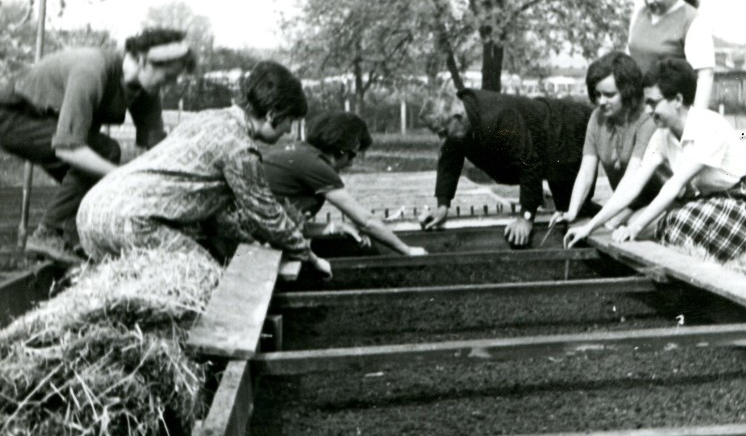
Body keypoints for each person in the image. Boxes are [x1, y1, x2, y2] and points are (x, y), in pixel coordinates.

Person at [77, 61, 332, 277]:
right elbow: (267, 214)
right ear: (273, 112)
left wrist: (250, 247)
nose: (289, 129)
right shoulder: (240, 148)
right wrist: (310, 257)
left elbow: (212, 218)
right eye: (289, 120)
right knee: (206, 279)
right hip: (133, 222)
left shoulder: (206, 118)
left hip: (92, 212)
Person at [0, 28, 195, 263]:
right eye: (168, 77)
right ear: (144, 62)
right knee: (105, 152)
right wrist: (123, 174)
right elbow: (68, 148)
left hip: (50, 125)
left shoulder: (146, 90)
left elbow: (157, 151)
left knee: (96, 177)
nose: (170, 85)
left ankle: (69, 239)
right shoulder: (92, 69)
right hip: (12, 116)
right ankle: (48, 233)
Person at [564, 58, 746, 263]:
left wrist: (634, 229)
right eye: (646, 103)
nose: (647, 110)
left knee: (673, 224)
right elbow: (632, 185)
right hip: (712, 203)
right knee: (651, 222)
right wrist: (589, 227)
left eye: (653, 103)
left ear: (677, 100)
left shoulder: (708, 127)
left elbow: (673, 187)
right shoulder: (662, 135)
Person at [419, 83, 593, 247]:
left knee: (576, 214)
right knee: (566, 214)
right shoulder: (462, 120)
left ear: (457, 117)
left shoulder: (498, 118)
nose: (442, 139)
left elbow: (528, 162)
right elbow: (449, 160)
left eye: (443, 132)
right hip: (547, 143)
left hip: (568, 131)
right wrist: (442, 206)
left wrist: (526, 218)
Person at [263, 111, 427, 257]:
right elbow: (366, 221)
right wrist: (407, 250)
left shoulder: (302, 152)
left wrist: (334, 226)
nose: (350, 165)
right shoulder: (316, 165)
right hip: (263, 241)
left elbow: (290, 222)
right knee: (358, 248)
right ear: (341, 150)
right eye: (352, 156)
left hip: (265, 232)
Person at [552, 51, 662, 230]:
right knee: (611, 225)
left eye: (609, 95)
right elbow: (586, 172)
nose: (601, 101)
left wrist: (605, 221)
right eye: (597, 94)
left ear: (628, 92)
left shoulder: (646, 121)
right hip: (628, 203)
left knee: (621, 226)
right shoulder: (597, 118)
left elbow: (631, 179)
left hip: (659, 201)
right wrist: (572, 212)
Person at [627, 0, 715, 109]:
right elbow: (630, 54)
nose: (649, 0)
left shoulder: (692, 20)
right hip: (636, 104)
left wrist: (696, 119)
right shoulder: (639, 13)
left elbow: (705, 75)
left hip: (669, 107)